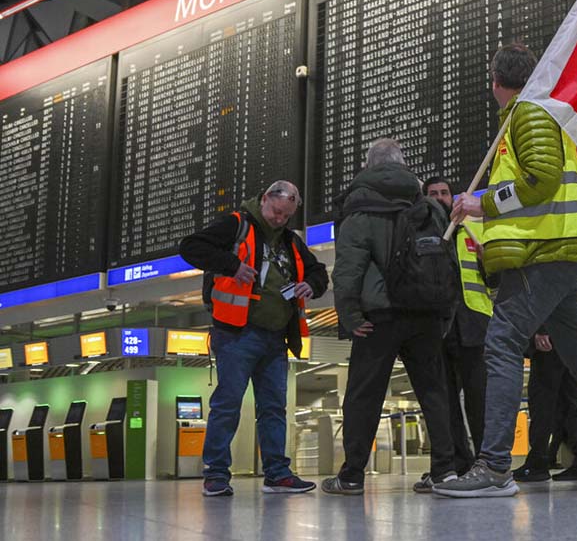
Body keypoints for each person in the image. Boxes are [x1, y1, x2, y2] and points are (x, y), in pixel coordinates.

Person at [434, 42, 577, 497]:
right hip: (558, 248)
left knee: (500, 345)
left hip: (543, 250)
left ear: (496, 81)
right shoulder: (537, 115)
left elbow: (542, 178)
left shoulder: (530, 113)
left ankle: (495, 465)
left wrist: (483, 203)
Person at [322, 139, 457, 496]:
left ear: (368, 166)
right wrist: (444, 314)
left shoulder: (359, 207)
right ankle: (444, 471)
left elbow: (349, 268)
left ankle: (352, 476)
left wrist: (349, 314)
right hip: (426, 313)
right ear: (403, 164)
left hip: (378, 316)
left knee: (364, 395)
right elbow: (447, 265)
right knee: (434, 392)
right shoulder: (429, 206)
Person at [179, 180, 328, 497]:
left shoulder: (290, 240)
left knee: (274, 407)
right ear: (264, 200)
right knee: (228, 404)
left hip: (276, 338)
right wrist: (232, 265)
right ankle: (216, 474)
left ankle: (277, 473)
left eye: (286, 215)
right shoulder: (236, 225)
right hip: (237, 334)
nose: (279, 219)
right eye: (276, 212)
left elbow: (319, 272)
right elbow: (190, 247)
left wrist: (311, 286)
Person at [423, 176, 490, 475]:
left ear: (453, 198)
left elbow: (494, 279)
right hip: (437, 328)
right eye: (433, 194)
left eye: (444, 193)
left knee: (480, 401)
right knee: (445, 402)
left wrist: (490, 257)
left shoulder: (473, 231)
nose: (439, 198)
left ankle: (488, 461)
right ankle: (458, 462)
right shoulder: (422, 235)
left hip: (474, 325)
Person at [512, 331, 577, 483]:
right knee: (569, 403)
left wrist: (543, 330)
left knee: (542, 402)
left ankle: (537, 463)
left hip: (549, 343)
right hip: (568, 343)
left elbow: (543, 306)